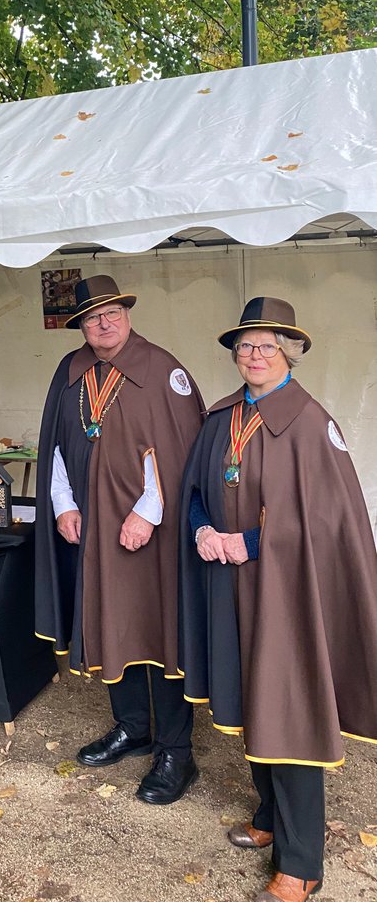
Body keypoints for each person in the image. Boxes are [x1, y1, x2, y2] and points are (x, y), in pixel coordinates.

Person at [179, 297, 377, 902]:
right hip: (229, 585)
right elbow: (193, 491)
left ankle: (302, 864)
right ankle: (268, 818)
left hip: (289, 594)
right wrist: (203, 530)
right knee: (250, 701)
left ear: (289, 352)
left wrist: (254, 541)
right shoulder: (220, 417)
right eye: (244, 347)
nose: (254, 356)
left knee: (288, 711)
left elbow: (332, 521)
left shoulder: (313, 424)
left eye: (266, 346)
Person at [35, 274, 204, 804]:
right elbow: (58, 445)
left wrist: (148, 513)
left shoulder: (162, 370)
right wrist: (63, 505)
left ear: (127, 314)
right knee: (110, 622)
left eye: (111, 313)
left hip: (150, 531)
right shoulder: (71, 371)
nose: (103, 323)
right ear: (80, 326)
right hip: (92, 526)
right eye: (91, 317)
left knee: (157, 630)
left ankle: (177, 751)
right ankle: (133, 726)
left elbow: (180, 453)